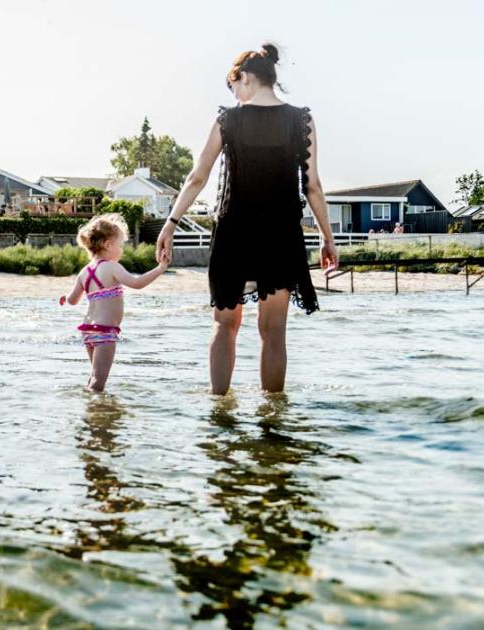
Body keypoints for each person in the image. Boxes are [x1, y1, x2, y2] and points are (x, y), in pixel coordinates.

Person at [156, 42, 338, 395]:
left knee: (225, 325)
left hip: (234, 233)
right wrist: (327, 238)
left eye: (234, 86)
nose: (235, 95)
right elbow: (312, 185)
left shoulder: (229, 119)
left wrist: (171, 223)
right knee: (274, 331)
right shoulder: (301, 119)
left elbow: (198, 176)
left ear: (244, 78)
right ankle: (272, 421)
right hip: (281, 233)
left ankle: (221, 415)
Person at [60, 213, 169, 392]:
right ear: (108, 245)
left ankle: (92, 409)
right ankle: (97, 413)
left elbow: (72, 300)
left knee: (95, 375)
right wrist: (161, 268)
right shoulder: (111, 267)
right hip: (104, 332)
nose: (122, 250)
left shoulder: (84, 271)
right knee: (98, 381)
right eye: (121, 245)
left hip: (87, 331)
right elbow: (137, 283)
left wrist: (65, 297)